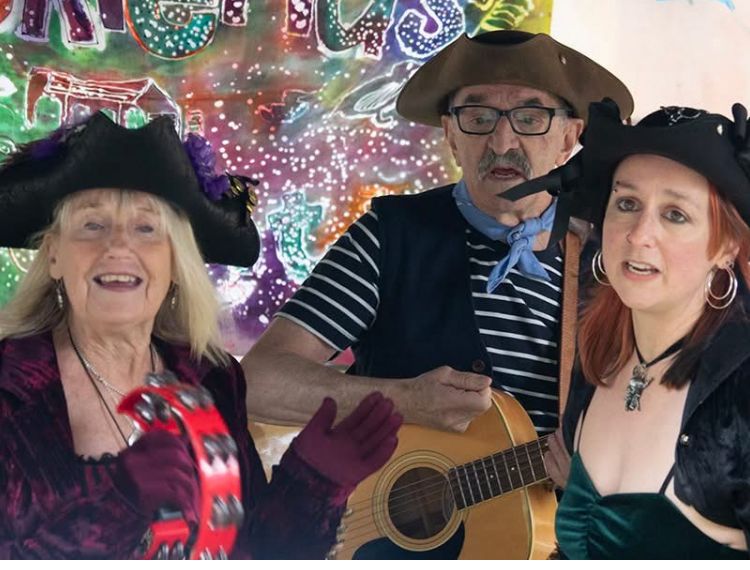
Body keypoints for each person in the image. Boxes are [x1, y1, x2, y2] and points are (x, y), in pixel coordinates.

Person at [0, 113, 402, 559]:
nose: (118, 246)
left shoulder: (212, 381)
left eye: (146, 228)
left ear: (176, 263)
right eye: (92, 225)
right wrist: (119, 502)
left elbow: (253, 554)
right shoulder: (10, 388)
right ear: (53, 256)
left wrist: (313, 483)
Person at [242, 30, 633, 438]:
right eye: (478, 118)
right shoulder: (389, 238)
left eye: (530, 119)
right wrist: (401, 401)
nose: (502, 143)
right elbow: (258, 381)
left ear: (568, 138)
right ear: (451, 136)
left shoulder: (608, 264)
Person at [537, 100, 750, 558]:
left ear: (726, 246)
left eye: (675, 214)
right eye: (627, 203)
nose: (638, 234)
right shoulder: (598, 358)